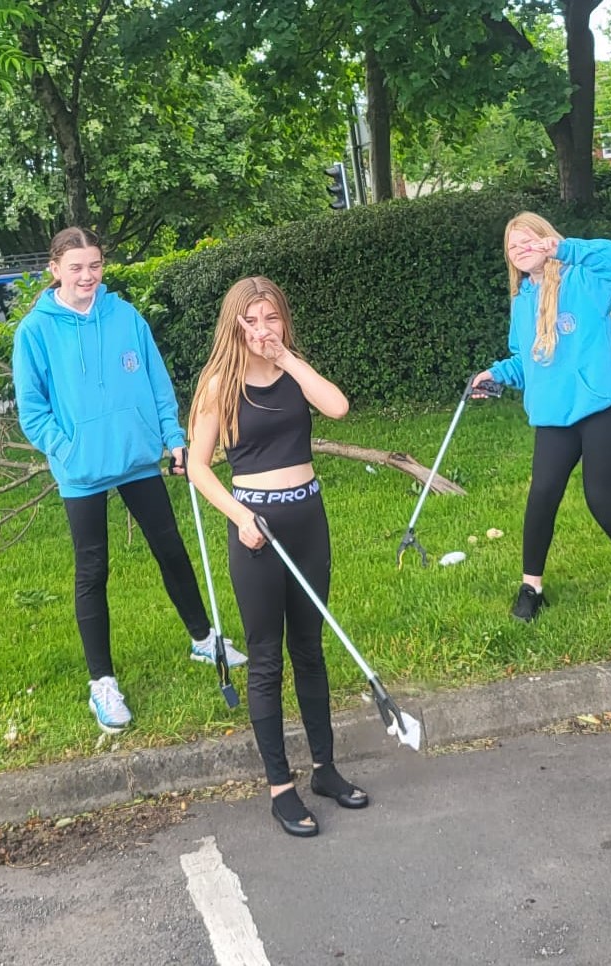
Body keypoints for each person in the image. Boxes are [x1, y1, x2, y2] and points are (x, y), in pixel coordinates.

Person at [12, 227, 246, 734]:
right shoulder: (34, 331)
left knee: (171, 548)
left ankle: (203, 638)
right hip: (82, 473)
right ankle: (103, 682)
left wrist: (173, 436)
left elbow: (157, 383)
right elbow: (31, 411)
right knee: (92, 571)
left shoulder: (125, 316)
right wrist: (65, 447)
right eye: (75, 267)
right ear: (54, 270)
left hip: (138, 459)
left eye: (94, 266)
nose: (86, 276)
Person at [187, 275, 368, 838]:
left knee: (309, 649)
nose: (262, 330)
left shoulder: (293, 371)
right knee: (267, 659)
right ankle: (280, 787)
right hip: (257, 528)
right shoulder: (220, 383)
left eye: (272, 319)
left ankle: (324, 769)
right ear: (233, 324)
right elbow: (198, 467)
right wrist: (241, 518)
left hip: (308, 518)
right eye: (251, 321)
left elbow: (337, 407)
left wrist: (287, 358)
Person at [474, 211, 611, 622]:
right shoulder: (522, 301)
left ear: (546, 241)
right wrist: (494, 374)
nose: (521, 250)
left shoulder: (587, 282)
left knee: (601, 499)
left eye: (529, 241)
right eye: (513, 246)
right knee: (541, 497)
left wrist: (564, 249)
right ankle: (532, 589)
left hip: (602, 410)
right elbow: (525, 361)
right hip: (553, 417)